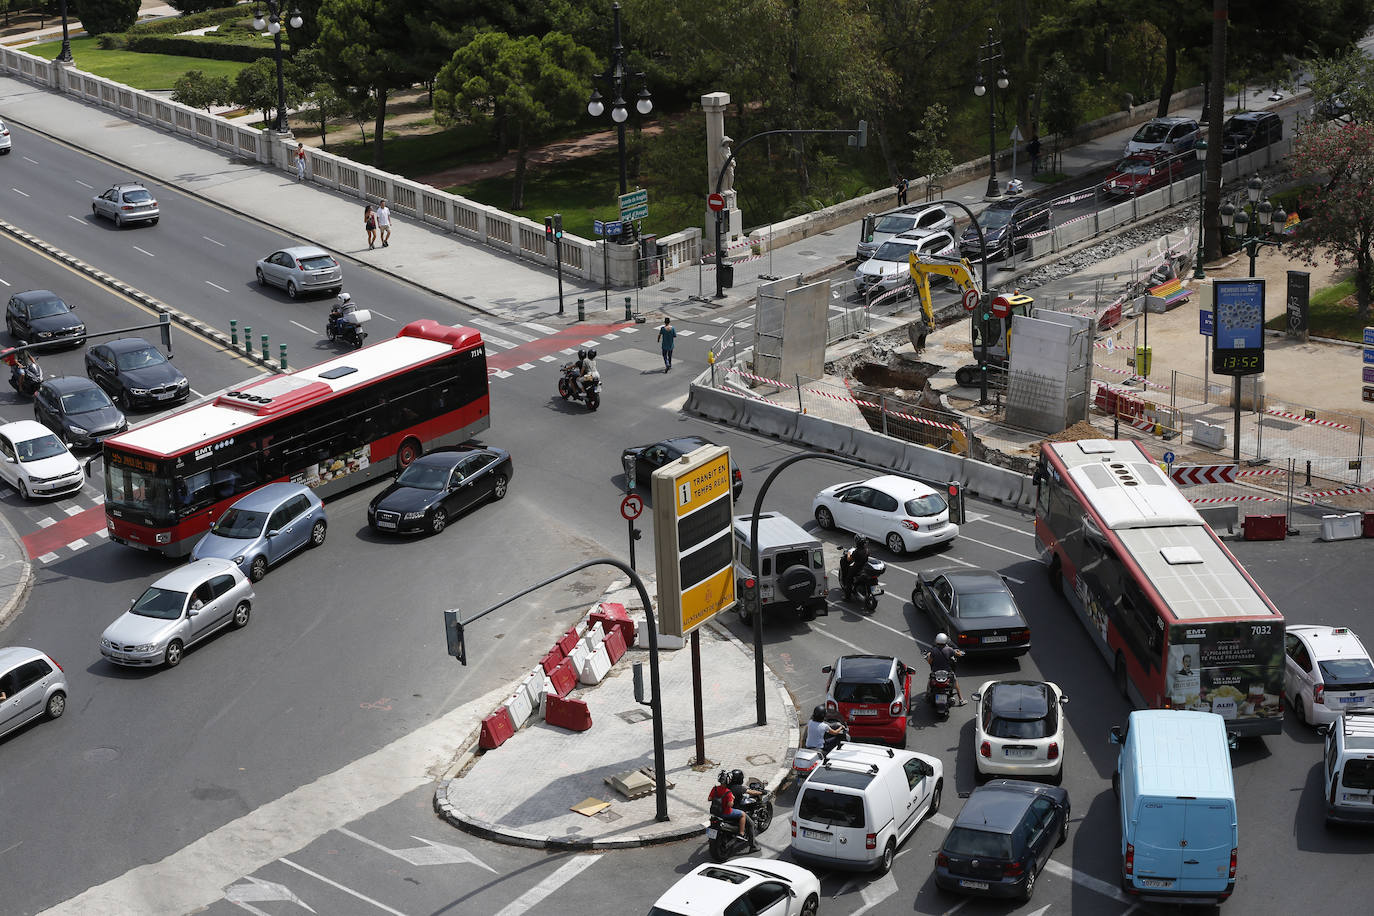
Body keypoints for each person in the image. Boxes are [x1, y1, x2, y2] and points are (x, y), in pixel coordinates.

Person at [708, 770, 756, 851]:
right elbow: (730, 805)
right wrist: (731, 799)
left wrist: (718, 799)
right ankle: (748, 840)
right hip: (726, 812)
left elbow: (709, 799)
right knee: (745, 818)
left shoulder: (715, 789)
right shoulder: (728, 792)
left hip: (715, 812)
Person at [926, 633, 966, 705]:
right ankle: (961, 700)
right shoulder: (949, 649)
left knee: (930, 680)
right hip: (947, 671)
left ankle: (927, 695)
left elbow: (930, 661)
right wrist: (960, 653)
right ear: (945, 640)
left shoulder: (933, 650)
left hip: (936, 671)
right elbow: (958, 654)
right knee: (955, 680)